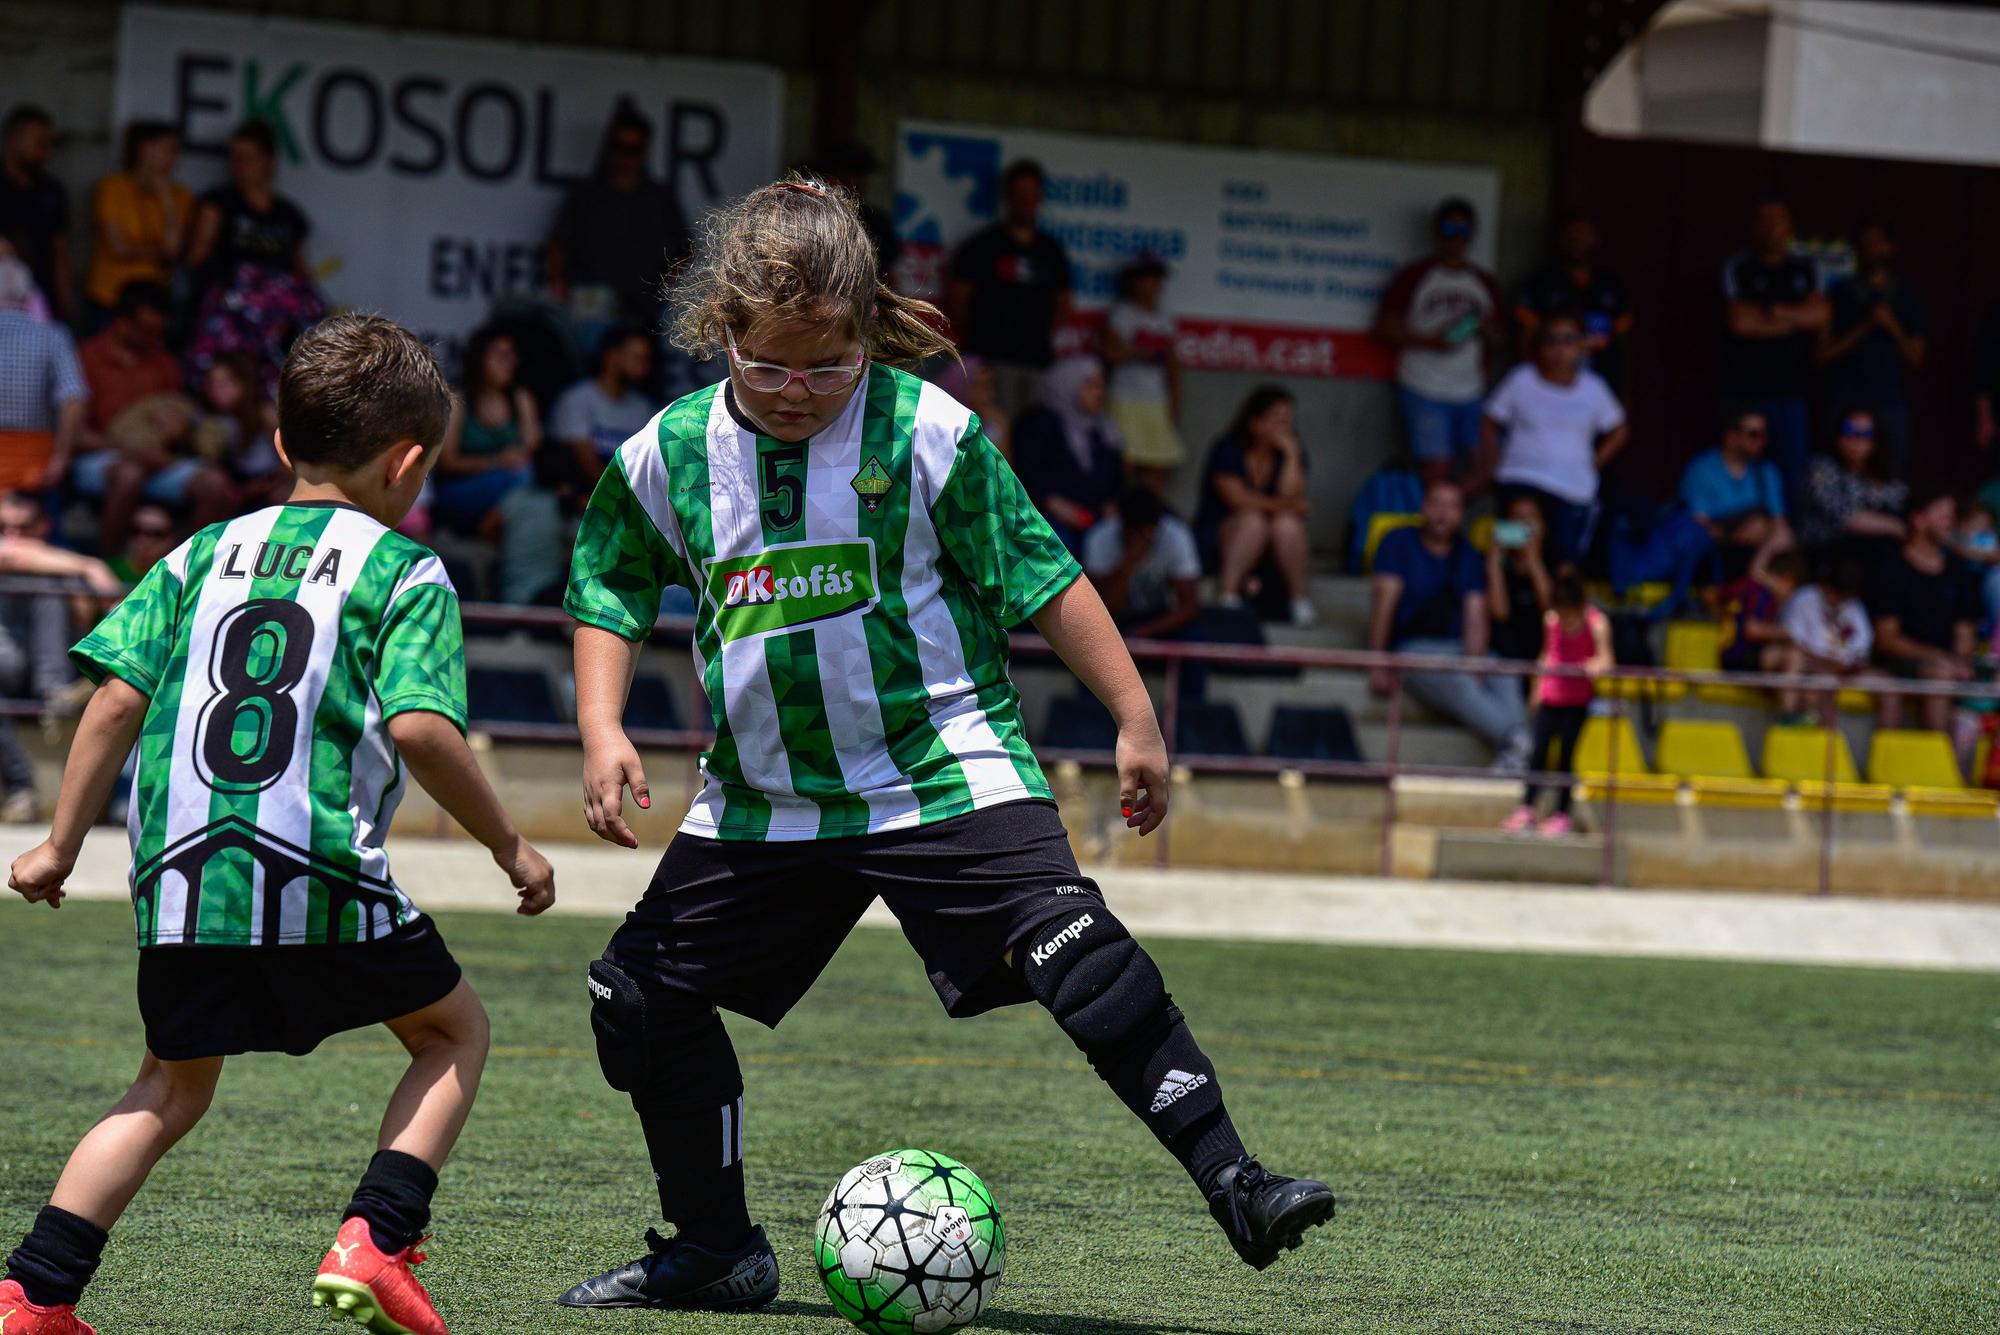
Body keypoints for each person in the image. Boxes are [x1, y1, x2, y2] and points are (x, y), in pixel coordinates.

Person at [557, 176, 1332, 1313]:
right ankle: (714, 1248)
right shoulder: (667, 454)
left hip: (939, 768)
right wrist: (599, 724)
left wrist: (1134, 718)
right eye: (767, 364)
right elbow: (608, 593)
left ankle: (1237, 1183)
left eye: (825, 365)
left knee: (1082, 952)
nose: (794, 390)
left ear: (867, 334)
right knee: (634, 997)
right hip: (766, 800)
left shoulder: (930, 433)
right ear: (721, 331)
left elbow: (1045, 578)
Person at [0, 314, 557, 1335]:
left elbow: (114, 701)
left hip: (178, 878)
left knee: (166, 1089)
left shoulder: (197, 553)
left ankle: (33, 1295)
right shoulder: (403, 569)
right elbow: (424, 732)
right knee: (452, 1032)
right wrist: (508, 846)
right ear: (408, 462)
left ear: (279, 446)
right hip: (315, 870)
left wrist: (60, 844)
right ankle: (378, 1238)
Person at [1369, 480, 1532, 771]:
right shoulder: (1397, 543)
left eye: (1452, 506)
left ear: (1461, 515)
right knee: (1459, 680)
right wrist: (1377, 661)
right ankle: (1519, 742)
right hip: (1412, 648)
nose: (1443, 514)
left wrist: (1475, 660)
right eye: (1437, 504)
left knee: (1503, 672)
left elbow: (1475, 613)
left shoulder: (1467, 554)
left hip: (1456, 648)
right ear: (1423, 507)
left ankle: (1517, 749)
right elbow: (1384, 606)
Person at [1478, 311, 1627, 566]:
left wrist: (1593, 463)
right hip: (1519, 480)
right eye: (1551, 340)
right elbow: (1489, 420)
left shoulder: (1594, 388)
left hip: (1573, 490)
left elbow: (1619, 430)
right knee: (1513, 556)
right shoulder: (1521, 379)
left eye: (1568, 340)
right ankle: (1505, 598)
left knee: (1563, 563)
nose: (1559, 348)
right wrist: (1493, 460)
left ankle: (1554, 604)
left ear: (1582, 346)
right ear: (1540, 345)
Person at [184, 120, 323, 392]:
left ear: (268, 161)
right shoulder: (219, 204)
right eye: (234, 158)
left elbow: (301, 273)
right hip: (230, 311)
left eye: (247, 159)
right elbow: (195, 259)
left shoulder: (288, 215)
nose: (239, 166)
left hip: (274, 320)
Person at [1373, 198, 1504, 481]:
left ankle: (1452, 516)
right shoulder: (1415, 275)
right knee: (1436, 467)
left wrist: (1483, 328)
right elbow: (1384, 328)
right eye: (1448, 228)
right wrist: (1432, 341)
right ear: (1436, 231)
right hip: (1423, 385)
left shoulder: (1485, 282)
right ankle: (1436, 522)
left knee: (1484, 466)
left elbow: (1501, 341)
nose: (1455, 238)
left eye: (1463, 231)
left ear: (1472, 235)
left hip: (1470, 389)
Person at [546, 100, 691, 335]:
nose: (625, 156)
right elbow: (558, 242)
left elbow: (685, 250)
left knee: (638, 364)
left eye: (633, 149)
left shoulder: (659, 197)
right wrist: (558, 282)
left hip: (643, 304)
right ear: (608, 148)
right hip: (592, 300)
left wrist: (661, 287)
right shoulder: (587, 193)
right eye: (618, 147)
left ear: (644, 151)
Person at [947, 159, 1074, 419]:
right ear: (1007, 197)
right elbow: (958, 299)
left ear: (1040, 198)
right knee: (996, 440)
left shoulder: (1051, 250)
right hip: (992, 362)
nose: (1026, 201)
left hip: (1037, 363)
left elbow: (1064, 303)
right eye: (1019, 194)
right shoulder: (982, 245)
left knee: (1031, 443)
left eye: (1032, 195)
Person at [1721, 199, 1828, 504]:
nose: (1771, 229)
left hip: (1791, 390)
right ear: (1754, 227)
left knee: (1790, 474)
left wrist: (1769, 313)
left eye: (1778, 221)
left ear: (1790, 228)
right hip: (1743, 387)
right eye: (1764, 221)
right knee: (1738, 469)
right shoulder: (1739, 267)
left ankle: (1785, 543)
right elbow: (1740, 323)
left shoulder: (1805, 269)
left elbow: (1820, 317)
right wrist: (1795, 320)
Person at [1502, 570, 1612, 838]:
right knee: (1537, 756)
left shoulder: (1597, 624)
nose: (1565, 620)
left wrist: (1591, 667)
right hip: (1551, 696)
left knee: (1565, 758)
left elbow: (1606, 660)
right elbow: (1546, 653)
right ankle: (1526, 809)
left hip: (1576, 701)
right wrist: (1536, 691)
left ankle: (1562, 815)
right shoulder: (1551, 620)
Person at [1194, 385, 1313, 626]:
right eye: (1276, 418)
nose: (1285, 426)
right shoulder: (1227, 449)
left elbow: (1292, 495)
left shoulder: (1291, 452)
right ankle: (1227, 594)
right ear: (1255, 422)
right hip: (1223, 536)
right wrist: (1285, 506)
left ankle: (1298, 600)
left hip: (1273, 546)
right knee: (1253, 521)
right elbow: (1237, 500)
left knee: (1287, 524)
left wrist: (1291, 456)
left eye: (1288, 419)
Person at [1817, 220, 1926, 477]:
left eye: (1878, 242)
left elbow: (1917, 359)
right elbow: (1821, 355)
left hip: (1889, 398)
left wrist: (1891, 326)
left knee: (1891, 473)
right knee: (1834, 472)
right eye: (1866, 242)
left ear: (1891, 247)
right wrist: (1865, 326)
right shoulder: (1840, 292)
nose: (1872, 248)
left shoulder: (1907, 295)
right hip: (1845, 394)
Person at [1868, 487, 1979, 733]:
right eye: (1943, 515)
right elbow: (1887, 639)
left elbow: (1965, 631)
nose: (1950, 522)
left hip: (1948, 665)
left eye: (1952, 516)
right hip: (1899, 663)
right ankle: (1936, 762)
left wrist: (1960, 661)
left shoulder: (1958, 571)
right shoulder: (1891, 568)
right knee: (1939, 674)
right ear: (1918, 520)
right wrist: (1935, 657)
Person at [1011, 355, 1124, 555]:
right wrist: (1054, 504)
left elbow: (1115, 478)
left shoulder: (1103, 429)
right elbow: (1027, 472)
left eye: (1101, 386)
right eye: (1090, 386)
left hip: (1093, 517)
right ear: (1068, 384)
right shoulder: (1038, 423)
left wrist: (1109, 504)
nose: (1099, 393)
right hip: (1046, 515)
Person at [434, 326, 540, 537]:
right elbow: (447, 462)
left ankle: (489, 526)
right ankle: (486, 530)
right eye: (501, 355)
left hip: (506, 490)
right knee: (522, 477)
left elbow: (531, 445)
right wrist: (496, 461)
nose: (509, 362)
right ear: (479, 358)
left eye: (512, 355)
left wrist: (516, 455)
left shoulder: (520, 398)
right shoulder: (458, 401)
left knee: (527, 476)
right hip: (461, 489)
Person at [84, 122, 190, 331]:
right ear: (143, 149)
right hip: (110, 296)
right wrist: (158, 253)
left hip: (152, 303)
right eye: (167, 149)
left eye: (176, 152)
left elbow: (173, 249)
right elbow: (118, 248)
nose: (173, 159)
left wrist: (167, 201)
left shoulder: (179, 196)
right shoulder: (113, 187)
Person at [1514, 210, 1632, 395]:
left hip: (1602, 386)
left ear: (1595, 238)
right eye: (1572, 235)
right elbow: (1526, 340)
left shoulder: (1612, 287)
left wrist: (1624, 390)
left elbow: (1622, 345)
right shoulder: (1540, 283)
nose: (1578, 241)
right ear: (1561, 239)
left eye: (1584, 234)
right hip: (1550, 386)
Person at [546, 322, 658, 506]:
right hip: (582, 502)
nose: (644, 367)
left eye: (647, 360)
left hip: (630, 502)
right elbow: (588, 466)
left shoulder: (643, 407)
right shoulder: (576, 399)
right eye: (637, 358)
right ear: (611, 357)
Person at [0, 257, 85, 493]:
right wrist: (62, 456)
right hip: (34, 463)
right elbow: (73, 399)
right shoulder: (53, 335)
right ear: (28, 295)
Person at [1678, 407, 1794, 574]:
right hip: (1714, 550)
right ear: (1730, 437)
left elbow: (1779, 521)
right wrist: (1734, 536)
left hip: (1757, 551)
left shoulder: (1767, 471)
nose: (1761, 441)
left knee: (1784, 535)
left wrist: (1765, 527)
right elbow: (1697, 524)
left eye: (1764, 434)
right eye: (1753, 434)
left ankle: (1755, 579)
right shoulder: (1701, 469)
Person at [1103, 255, 1186, 478]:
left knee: (1156, 467)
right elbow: (1110, 353)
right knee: (1123, 465)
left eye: (1154, 279)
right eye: (1143, 279)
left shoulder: (1166, 318)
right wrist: (1141, 351)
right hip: (1125, 398)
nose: (1149, 285)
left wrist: (1175, 403)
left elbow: (1173, 365)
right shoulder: (1122, 313)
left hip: (1157, 399)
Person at [1084, 485, 1201, 641]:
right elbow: (1103, 608)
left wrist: (1142, 633)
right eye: (1137, 532)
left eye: (1150, 531)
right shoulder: (1100, 538)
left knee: (1192, 637)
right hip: (1114, 621)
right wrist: (1128, 563)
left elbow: (1189, 607)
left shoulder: (1176, 536)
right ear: (1123, 525)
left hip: (1157, 619)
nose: (1145, 538)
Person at [1798, 407, 1907, 561]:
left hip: (1874, 554)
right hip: (1825, 552)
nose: (1856, 440)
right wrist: (1895, 526)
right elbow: (1845, 516)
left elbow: (1906, 504)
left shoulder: (1884, 477)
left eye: (1866, 434)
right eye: (1849, 430)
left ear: (1876, 441)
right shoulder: (1822, 467)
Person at [1781, 555, 1886, 712]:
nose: (1841, 601)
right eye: (1838, 595)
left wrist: (1850, 665)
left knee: (1891, 688)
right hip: (1813, 667)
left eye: (1845, 597)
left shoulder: (1854, 605)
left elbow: (1862, 647)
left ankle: (1886, 736)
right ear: (1825, 586)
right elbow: (1792, 642)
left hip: (1849, 669)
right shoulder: (1804, 599)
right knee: (1824, 681)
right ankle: (1826, 736)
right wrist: (1827, 663)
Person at [0, 105, 71, 320]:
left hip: (39, 299)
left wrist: (64, 298)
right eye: (39, 143)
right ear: (13, 140)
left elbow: (60, 248)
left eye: (49, 144)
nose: (46, 151)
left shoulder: (51, 190)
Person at [191, 353, 288, 508]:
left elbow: (287, 460)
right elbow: (206, 461)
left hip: (268, 480)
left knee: (281, 496)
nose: (216, 391)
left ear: (243, 383)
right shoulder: (207, 418)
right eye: (211, 384)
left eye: (224, 384)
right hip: (233, 481)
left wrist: (258, 487)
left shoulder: (263, 413)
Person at [1486, 494, 1554, 663]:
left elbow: (1551, 610)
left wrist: (1533, 561)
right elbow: (1500, 614)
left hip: (1545, 651)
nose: (1524, 523)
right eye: (1517, 517)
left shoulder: (1556, 563)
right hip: (1505, 653)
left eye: (1530, 516)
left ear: (1543, 526)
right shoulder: (1498, 563)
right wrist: (1493, 563)